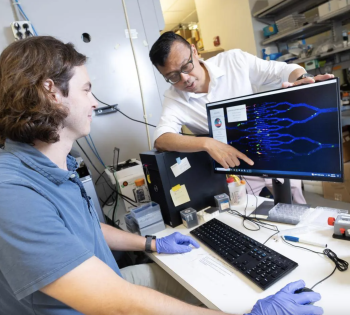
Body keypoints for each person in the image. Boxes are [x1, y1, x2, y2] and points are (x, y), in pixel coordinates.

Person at [0, 36, 323, 315]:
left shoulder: (56, 168)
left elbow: (86, 228)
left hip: (107, 281)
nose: (95, 103)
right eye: (86, 90)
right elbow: (116, 304)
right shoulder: (12, 191)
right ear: (52, 92)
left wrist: (152, 242)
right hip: (93, 304)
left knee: (207, 282)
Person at [149, 32, 334, 203]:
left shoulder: (233, 61)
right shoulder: (174, 98)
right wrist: (208, 143)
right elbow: (161, 139)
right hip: (236, 168)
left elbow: (284, 70)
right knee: (248, 218)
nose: (184, 78)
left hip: (273, 150)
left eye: (186, 66)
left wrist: (305, 79)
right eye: (173, 76)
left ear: (194, 52)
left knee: (293, 207)